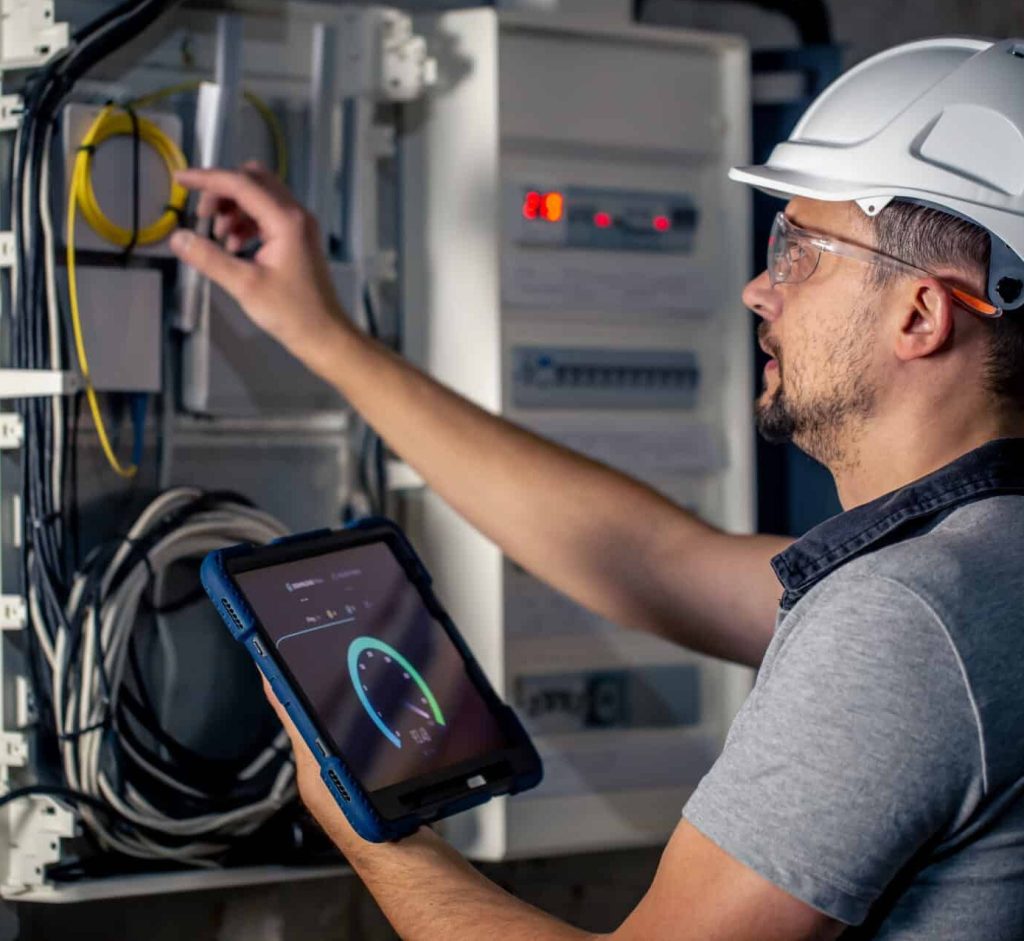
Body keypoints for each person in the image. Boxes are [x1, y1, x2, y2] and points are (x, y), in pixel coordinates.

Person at [169, 36, 1024, 941]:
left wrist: (375, 836)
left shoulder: (902, 621)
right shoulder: (980, 565)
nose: (758, 289)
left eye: (800, 252)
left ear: (921, 314)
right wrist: (326, 337)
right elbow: (650, 560)